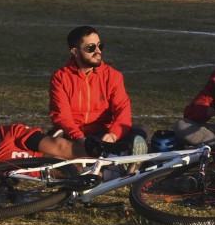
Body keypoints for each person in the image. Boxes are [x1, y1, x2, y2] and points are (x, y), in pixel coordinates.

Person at [48, 26, 147, 157]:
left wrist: (113, 134)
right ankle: (108, 158)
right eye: (91, 48)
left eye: (100, 46)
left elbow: (123, 109)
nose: (98, 51)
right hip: (73, 135)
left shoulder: (113, 76)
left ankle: (106, 155)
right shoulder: (60, 78)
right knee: (52, 143)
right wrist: (80, 138)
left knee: (140, 132)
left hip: (103, 134)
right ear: (75, 52)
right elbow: (62, 116)